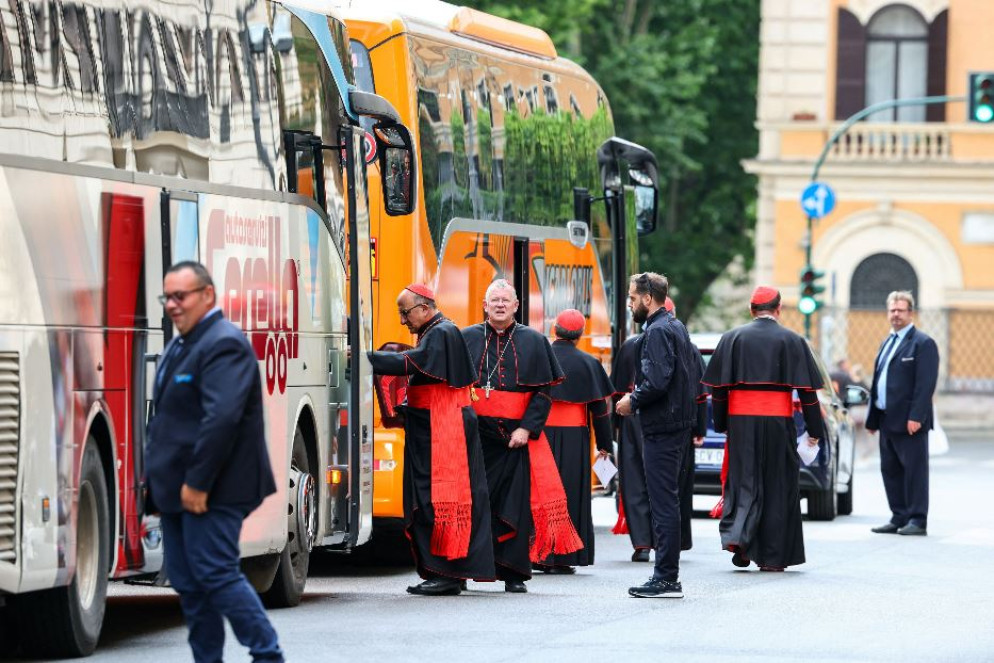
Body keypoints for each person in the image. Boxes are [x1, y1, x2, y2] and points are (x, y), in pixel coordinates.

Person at [146, 261, 283, 663]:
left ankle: (267, 654)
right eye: (167, 297)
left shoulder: (224, 342)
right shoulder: (181, 344)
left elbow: (220, 419)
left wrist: (198, 483)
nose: (172, 305)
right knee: (189, 583)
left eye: (180, 296)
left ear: (207, 295)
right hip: (178, 490)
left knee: (215, 573)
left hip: (214, 489)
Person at [367, 284, 496, 595]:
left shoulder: (441, 332)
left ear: (424, 308)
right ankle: (448, 571)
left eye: (405, 312)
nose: (403, 320)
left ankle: (446, 572)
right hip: (433, 422)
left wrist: (366, 357)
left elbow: (411, 363)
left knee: (434, 498)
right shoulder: (439, 331)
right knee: (431, 498)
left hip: (442, 425)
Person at [461, 279, 581, 593]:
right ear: (485, 305)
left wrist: (526, 428)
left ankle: (513, 574)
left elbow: (542, 393)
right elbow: (457, 387)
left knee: (514, 507)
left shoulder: (534, 340)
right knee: (471, 505)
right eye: (494, 300)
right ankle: (463, 569)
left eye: (505, 300)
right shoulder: (466, 338)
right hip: (475, 439)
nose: (500, 305)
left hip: (515, 439)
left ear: (516, 306)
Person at [701, 286, 824, 572]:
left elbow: (719, 391)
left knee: (744, 483)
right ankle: (772, 556)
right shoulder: (793, 340)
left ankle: (741, 540)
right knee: (777, 487)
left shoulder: (731, 338)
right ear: (779, 309)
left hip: (741, 424)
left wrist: (721, 425)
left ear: (751, 309)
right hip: (778, 423)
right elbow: (808, 394)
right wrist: (814, 431)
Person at [616, 273, 696, 599]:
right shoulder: (674, 326)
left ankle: (666, 577)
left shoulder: (658, 331)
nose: (630, 303)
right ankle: (667, 575)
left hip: (662, 426)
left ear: (648, 299)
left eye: (633, 298)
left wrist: (630, 401)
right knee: (668, 501)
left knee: (663, 503)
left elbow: (658, 380)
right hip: (674, 424)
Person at [535, 308, 615, 574]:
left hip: (538, 435)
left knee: (538, 494)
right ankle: (562, 556)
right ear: (580, 335)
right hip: (573, 438)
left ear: (554, 330)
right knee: (570, 495)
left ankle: (536, 554)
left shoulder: (539, 358)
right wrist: (605, 445)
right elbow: (600, 411)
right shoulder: (589, 364)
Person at [866, 290, 939, 536]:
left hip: (910, 421)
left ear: (911, 313)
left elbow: (925, 384)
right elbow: (878, 381)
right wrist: (873, 418)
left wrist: (916, 416)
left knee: (914, 471)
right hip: (886, 419)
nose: (896, 314)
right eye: (892, 310)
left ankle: (917, 519)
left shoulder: (923, 343)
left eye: (901, 310)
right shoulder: (887, 342)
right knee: (890, 469)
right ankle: (899, 515)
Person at [666, 297, 708, 552]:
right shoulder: (690, 348)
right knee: (679, 484)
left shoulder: (637, 343)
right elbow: (700, 395)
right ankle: (679, 539)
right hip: (682, 425)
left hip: (651, 425)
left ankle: (646, 540)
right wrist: (699, 429)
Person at [610, 332, 653, 562]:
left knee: (635, 478)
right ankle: (664, 540)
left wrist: (616, 425)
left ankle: (642, 543)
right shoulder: (680, 340)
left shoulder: (630, 344)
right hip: (665, 415)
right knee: (663, 480)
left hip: (633, 416)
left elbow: (617, 392)